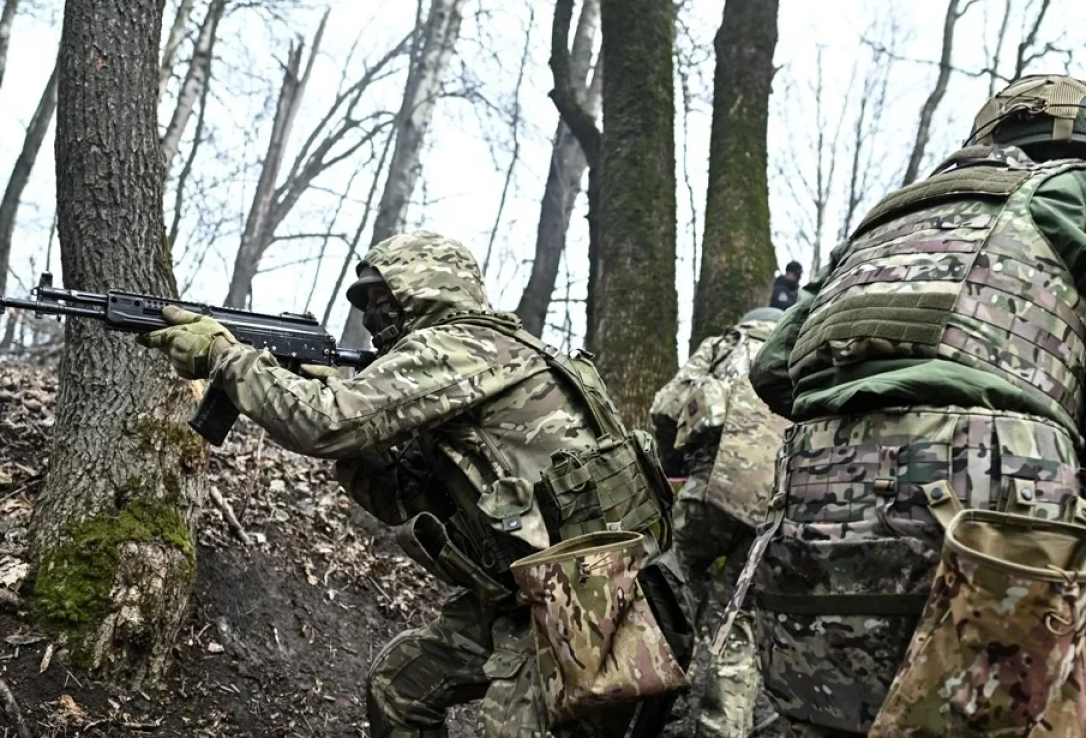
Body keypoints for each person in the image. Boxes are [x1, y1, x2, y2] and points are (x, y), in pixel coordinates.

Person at [140, 231, 692, 738]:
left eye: (383, 298)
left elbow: (325, 422)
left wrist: (225, 356)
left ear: (425, 290)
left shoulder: (465, 347)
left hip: (602, 607)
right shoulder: (485, 362)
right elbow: (403, 495)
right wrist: (357, 448)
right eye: (366, 303)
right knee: (400, 685)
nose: (373, 314)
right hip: (542, 597)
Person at [742, 73, 1086, 737]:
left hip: (810, 529)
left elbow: (773, 371)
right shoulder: (1071, 192)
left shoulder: (885, 220)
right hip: (999, 540)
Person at [650, 307, 788, 738]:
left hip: (714, 488)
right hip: (777, 506)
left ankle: (648, 697)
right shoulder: (796, 359)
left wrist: (669, 463)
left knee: (669, 575)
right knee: (737, 615)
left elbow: (665, 406)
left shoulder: (725, 346)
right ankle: (724, 727)